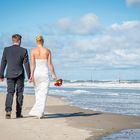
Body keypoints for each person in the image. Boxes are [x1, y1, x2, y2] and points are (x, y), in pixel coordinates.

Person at [0, 34, 30, 119]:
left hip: (9, 74)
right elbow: (26, 64)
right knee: (19, 93)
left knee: (10, 92)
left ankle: (8, 111)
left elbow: (3, 62)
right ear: (19, 41)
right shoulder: (24, 50)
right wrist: (30, 76)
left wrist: (1, 75)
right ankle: (18, 113)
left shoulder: (6, 50)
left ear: (13, 40)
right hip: (20, 75)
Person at [29, 35, 57, 118]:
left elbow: (32, 64)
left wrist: (31, 75)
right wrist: (53, 74)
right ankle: (39, 112)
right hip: (44, 73)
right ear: (43, 41)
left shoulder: (33, 51)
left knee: (37, 92)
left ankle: (39, 111)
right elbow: (50, 64)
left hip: (36, 74)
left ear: (36, 41)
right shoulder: (47, 51)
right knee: (43, 93)